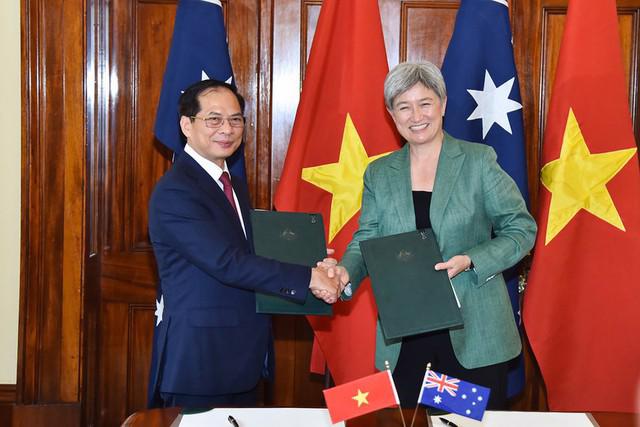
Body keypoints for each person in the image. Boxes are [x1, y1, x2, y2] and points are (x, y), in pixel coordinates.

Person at [324, 62, 537, 408]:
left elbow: (521, 229)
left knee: (466, 418)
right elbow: (368, 239)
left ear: (443, 104)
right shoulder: (379, 173)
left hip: (475, 336)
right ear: (391, 113)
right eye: (403, 106)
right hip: (407, 336)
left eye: (425, 103)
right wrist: (345, 273)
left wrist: (472, 260)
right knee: (409, 418)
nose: (416, 115)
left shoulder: (478, 160)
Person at [147, 79, 340, 408]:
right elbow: (226, 262)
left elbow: (251, 251)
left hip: (243, 358)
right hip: (201, 361)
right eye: (214, 119)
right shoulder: (176, 190)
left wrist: (313, 259)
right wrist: (308, 276)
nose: (227, 128)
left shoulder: (231, 182)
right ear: (186, 125)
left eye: (236, 119)